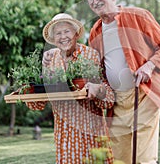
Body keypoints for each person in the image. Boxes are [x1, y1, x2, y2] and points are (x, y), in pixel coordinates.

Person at [80, 0, 160, 164]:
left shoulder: (138, 16)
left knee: (143, 157)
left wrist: (149, 66)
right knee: (120, 156)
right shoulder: (95, 31)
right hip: (117, 100)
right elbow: (97, 68)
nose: (95, 0)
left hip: (144, 94)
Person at [27, 13, 115, 164]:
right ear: (54, 39)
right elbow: (39, 103)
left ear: (75, 33)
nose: (63, 37)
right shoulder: (49, 59)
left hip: (91, 132)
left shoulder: (90, 55)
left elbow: (108, 99)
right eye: (58, 33)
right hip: (65, 137)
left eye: (67, 31)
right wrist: (29, 91)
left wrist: (98, 89)